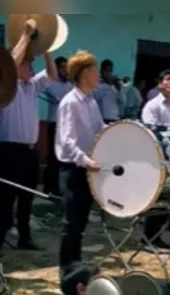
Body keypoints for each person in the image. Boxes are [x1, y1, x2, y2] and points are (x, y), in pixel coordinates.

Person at [0, 24, 57, 252]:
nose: (31, 67)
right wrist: (26, 35)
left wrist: (46, 49)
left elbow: (52, 74)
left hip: (29, 151)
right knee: (5, 199)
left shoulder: (31, 87)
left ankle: (24, 238)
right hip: (10, 150)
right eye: (27, 63)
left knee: (26, 198)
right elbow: (9, 65)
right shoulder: (6, 86)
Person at [56, 50, 105, 274]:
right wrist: (86, 161)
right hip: (74, 169)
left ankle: (76, 266)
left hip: (87, 167)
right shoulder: (70, 102)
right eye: (94, 70)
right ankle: (67, 269)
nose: (98, 74)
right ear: (84, 73)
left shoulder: (91, 101)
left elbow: (99, 129)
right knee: (71, 224)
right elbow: (67, 142)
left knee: (81, 223)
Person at [139, 69, 170, 250]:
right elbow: (151, 131)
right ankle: (147, 239)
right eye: (167, 79)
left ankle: (157, 237)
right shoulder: (153, 106)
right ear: (160, 84)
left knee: (167, 198)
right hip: (156, 158)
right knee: (156, 199)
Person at [42, 56, 72, 196]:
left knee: (61, 157)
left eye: (67, 68)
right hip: (55, 123)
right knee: (52, 157)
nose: (65, 71)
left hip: (66, 125)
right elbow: (52, 94)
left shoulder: (69, 85)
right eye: (62, 68)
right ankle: (49, 187)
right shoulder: (52, 83)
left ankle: (58, 188)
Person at [93, 59, 120, 124]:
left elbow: (123, 101)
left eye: (110, 70)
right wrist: (108, 85)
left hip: (115, 118)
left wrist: (120, 90)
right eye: (106, 70)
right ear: (101, 71)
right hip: (102, 119)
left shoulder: (114, 85)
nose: (109, 73)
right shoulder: (96, 84)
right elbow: (96, 97)